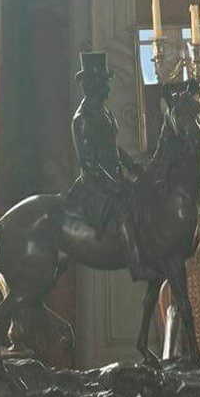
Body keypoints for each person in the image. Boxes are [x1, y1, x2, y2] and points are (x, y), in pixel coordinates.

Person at [66, 53, 142, 268]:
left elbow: (111, 147)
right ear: (91, 85)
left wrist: (131, 165)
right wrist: (114, 183)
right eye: (104, 81)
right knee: (123, 212)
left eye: (107, 80)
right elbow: (89, 164)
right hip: (96, 182)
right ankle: (137, 263)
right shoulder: (82, 119)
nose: (108, 86)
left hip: (113, 176)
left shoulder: (104, 111)